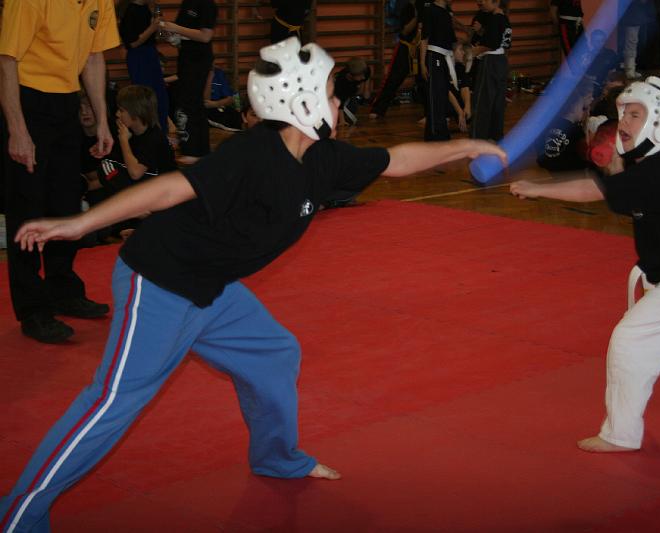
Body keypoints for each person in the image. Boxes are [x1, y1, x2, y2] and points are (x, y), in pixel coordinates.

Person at [1, 38, 507, 531]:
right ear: (303, 104)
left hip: (213, 286)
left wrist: (464, 145)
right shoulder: (252, 156)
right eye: (331, 94)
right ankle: (18, 513)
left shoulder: (323, 158)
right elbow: (169, 189)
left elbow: (396, 161)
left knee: (273, 354)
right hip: (160, 281)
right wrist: (79, 224)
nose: (338, 103)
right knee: (114, 402)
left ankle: (277, 459)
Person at [510, 76, 660, 453]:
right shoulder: (653, 166)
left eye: (635, 115)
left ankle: (620, 434)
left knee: (630, 343)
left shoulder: (654, 172)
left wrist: (538, 189)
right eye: (624, 113)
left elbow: (593, 190)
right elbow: (621, 194)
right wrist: (617, 162)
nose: (624, 121)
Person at [0, 0, 119, 344]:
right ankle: (33, 309)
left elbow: (94, 57)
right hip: (27, 100)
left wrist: (102, 120)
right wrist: (17, 130)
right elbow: (6, 61)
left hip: (67, 101)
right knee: (27, 206)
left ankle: (63, 288)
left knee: (66, 202)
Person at [159, 0, 217, 165]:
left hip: (198, 60)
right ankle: (198, 149)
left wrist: (175, 28)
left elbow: (205, 36)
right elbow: (184, 34)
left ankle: (194, 150)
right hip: (186, 58)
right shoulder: (187, 3)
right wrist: (171, 35)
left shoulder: (207, 4)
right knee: (191, 104)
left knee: (190, 103)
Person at [118, 0, 170, 132]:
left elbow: (156, 35)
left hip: (150, 54)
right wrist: (152, 27)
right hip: (139, 57)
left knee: (160, 98)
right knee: (144, 100)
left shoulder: (147, 8)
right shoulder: (129, 11)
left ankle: (161, 133)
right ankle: (149, 133)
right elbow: (132, 43)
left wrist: (160, 28)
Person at [369, 1, 419, 119]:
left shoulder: (429, 6)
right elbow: (405, 30)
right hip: (406, 47)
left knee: (424, 80)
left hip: (422, 48)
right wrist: (418, 17)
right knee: (393, 79)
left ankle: (431, 112)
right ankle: (378, 109)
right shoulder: (407, 8)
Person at [470, 0, 511, 141]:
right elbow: (504, 43)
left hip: (490, 62)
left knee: (482, 101)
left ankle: (478, 138)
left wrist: (473, 52)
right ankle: (495, 136)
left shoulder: (494, 19)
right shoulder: (504, 19)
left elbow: (491, 44)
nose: (481, 2)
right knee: (497, 103)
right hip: (501, 62)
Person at [420, 0, 458, 141]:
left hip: (444, 58)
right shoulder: (430, 11)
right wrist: (422, 63)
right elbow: (424, 39)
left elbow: (451, 40)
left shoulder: (447, 14)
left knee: (442, 96)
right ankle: (434, 134)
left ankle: (441, 131)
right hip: (433, 57)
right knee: (435, 97)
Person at [334, 57, 372, 126]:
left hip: (352, 91)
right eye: (360, 76)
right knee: (350, 110)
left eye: (363, 74)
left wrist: (366, 89)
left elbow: (367, 77)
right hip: (338, 97)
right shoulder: (341, 82)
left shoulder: (365, 71)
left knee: (354, 107)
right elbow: (340, 102)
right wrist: (342, 121)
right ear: (350, 75)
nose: (363, 77)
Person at [205, 65, 243, 132]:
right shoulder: (197, 74)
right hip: (207, 110)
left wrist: (216, 104)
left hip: (219, 105)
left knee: (236, 116)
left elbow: (231, 99)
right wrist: (210, 77)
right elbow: (206, 102)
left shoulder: (219, 73)